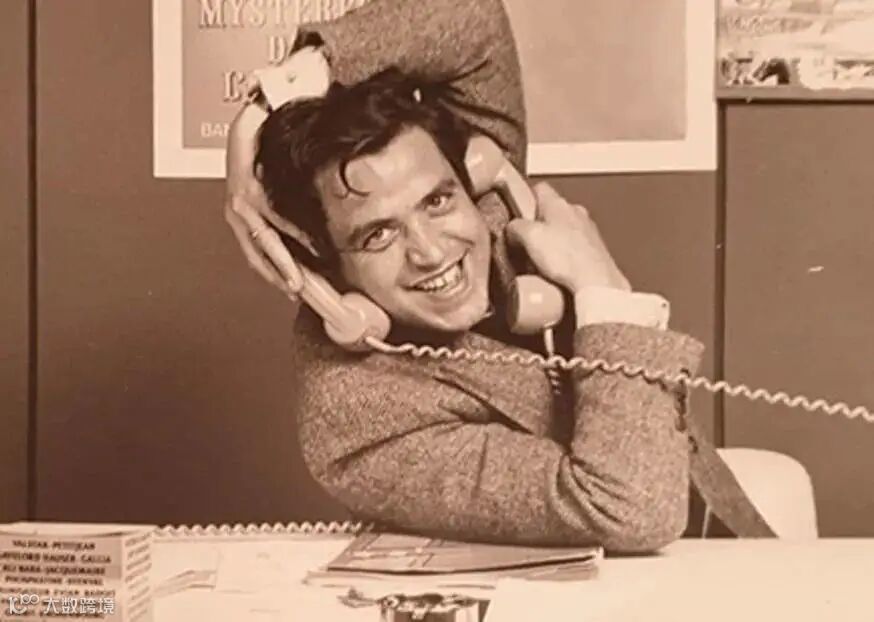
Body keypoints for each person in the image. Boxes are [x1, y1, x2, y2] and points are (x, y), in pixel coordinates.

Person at [225, 0, 776, 551]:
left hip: (745, 558)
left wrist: (264, 103)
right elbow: (628, 508)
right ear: (316, 264)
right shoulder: (356, 416)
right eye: (379, 235)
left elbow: (472, 18)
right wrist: (603, 289)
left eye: (438, 201)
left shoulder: (494, 212)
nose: (431, 251)